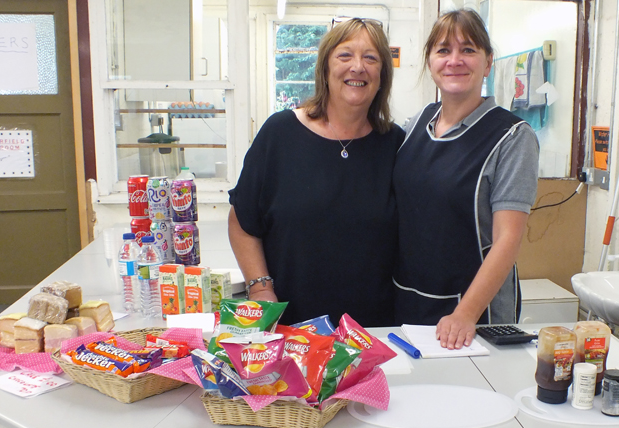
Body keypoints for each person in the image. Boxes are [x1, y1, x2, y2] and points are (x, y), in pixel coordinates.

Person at [228, 18, 405, 327]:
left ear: (382, 76)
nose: (357, 67)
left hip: (373, 333)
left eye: (371, 58)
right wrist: (260, 289)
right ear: (325, 67)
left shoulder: (396, 145)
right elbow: (243, 221)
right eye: (345, 55)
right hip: (291, 328)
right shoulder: (280, 134)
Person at [393, 9, 539, 349]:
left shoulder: (512, 137)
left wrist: (465, 313)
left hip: (473, 314)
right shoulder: (415, 125)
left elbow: (508, 238)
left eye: (468, 49)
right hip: (406, 300)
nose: (454, 60)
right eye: (443, 50)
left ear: (488, 63)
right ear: (430, 62)